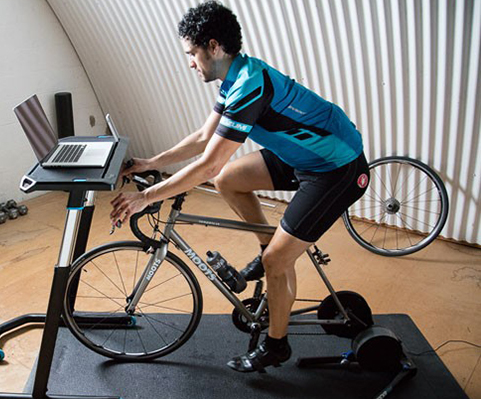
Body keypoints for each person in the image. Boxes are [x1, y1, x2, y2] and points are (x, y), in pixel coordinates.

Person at [109, 1, 370, 373]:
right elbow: (204, 137)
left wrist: (146, 196)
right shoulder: (236, 76)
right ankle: (269, 244)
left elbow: (208, 161)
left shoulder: (249, 85)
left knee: (276, 260)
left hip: (336, 168)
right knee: (228, 179)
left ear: (213, 47)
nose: (189, 63)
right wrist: (151, 163)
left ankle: (276, 344)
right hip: (302, 157)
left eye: (191, 53)